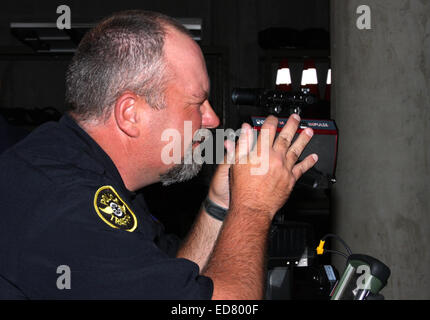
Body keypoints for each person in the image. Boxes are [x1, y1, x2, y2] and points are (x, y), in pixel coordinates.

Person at [0, 10, 317, 299]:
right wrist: (253, 207)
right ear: (131, 114)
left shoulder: (84, 166)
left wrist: (221, 204)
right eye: (197, 103)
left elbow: (170, 284)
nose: (213, 120)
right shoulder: (67, 208)